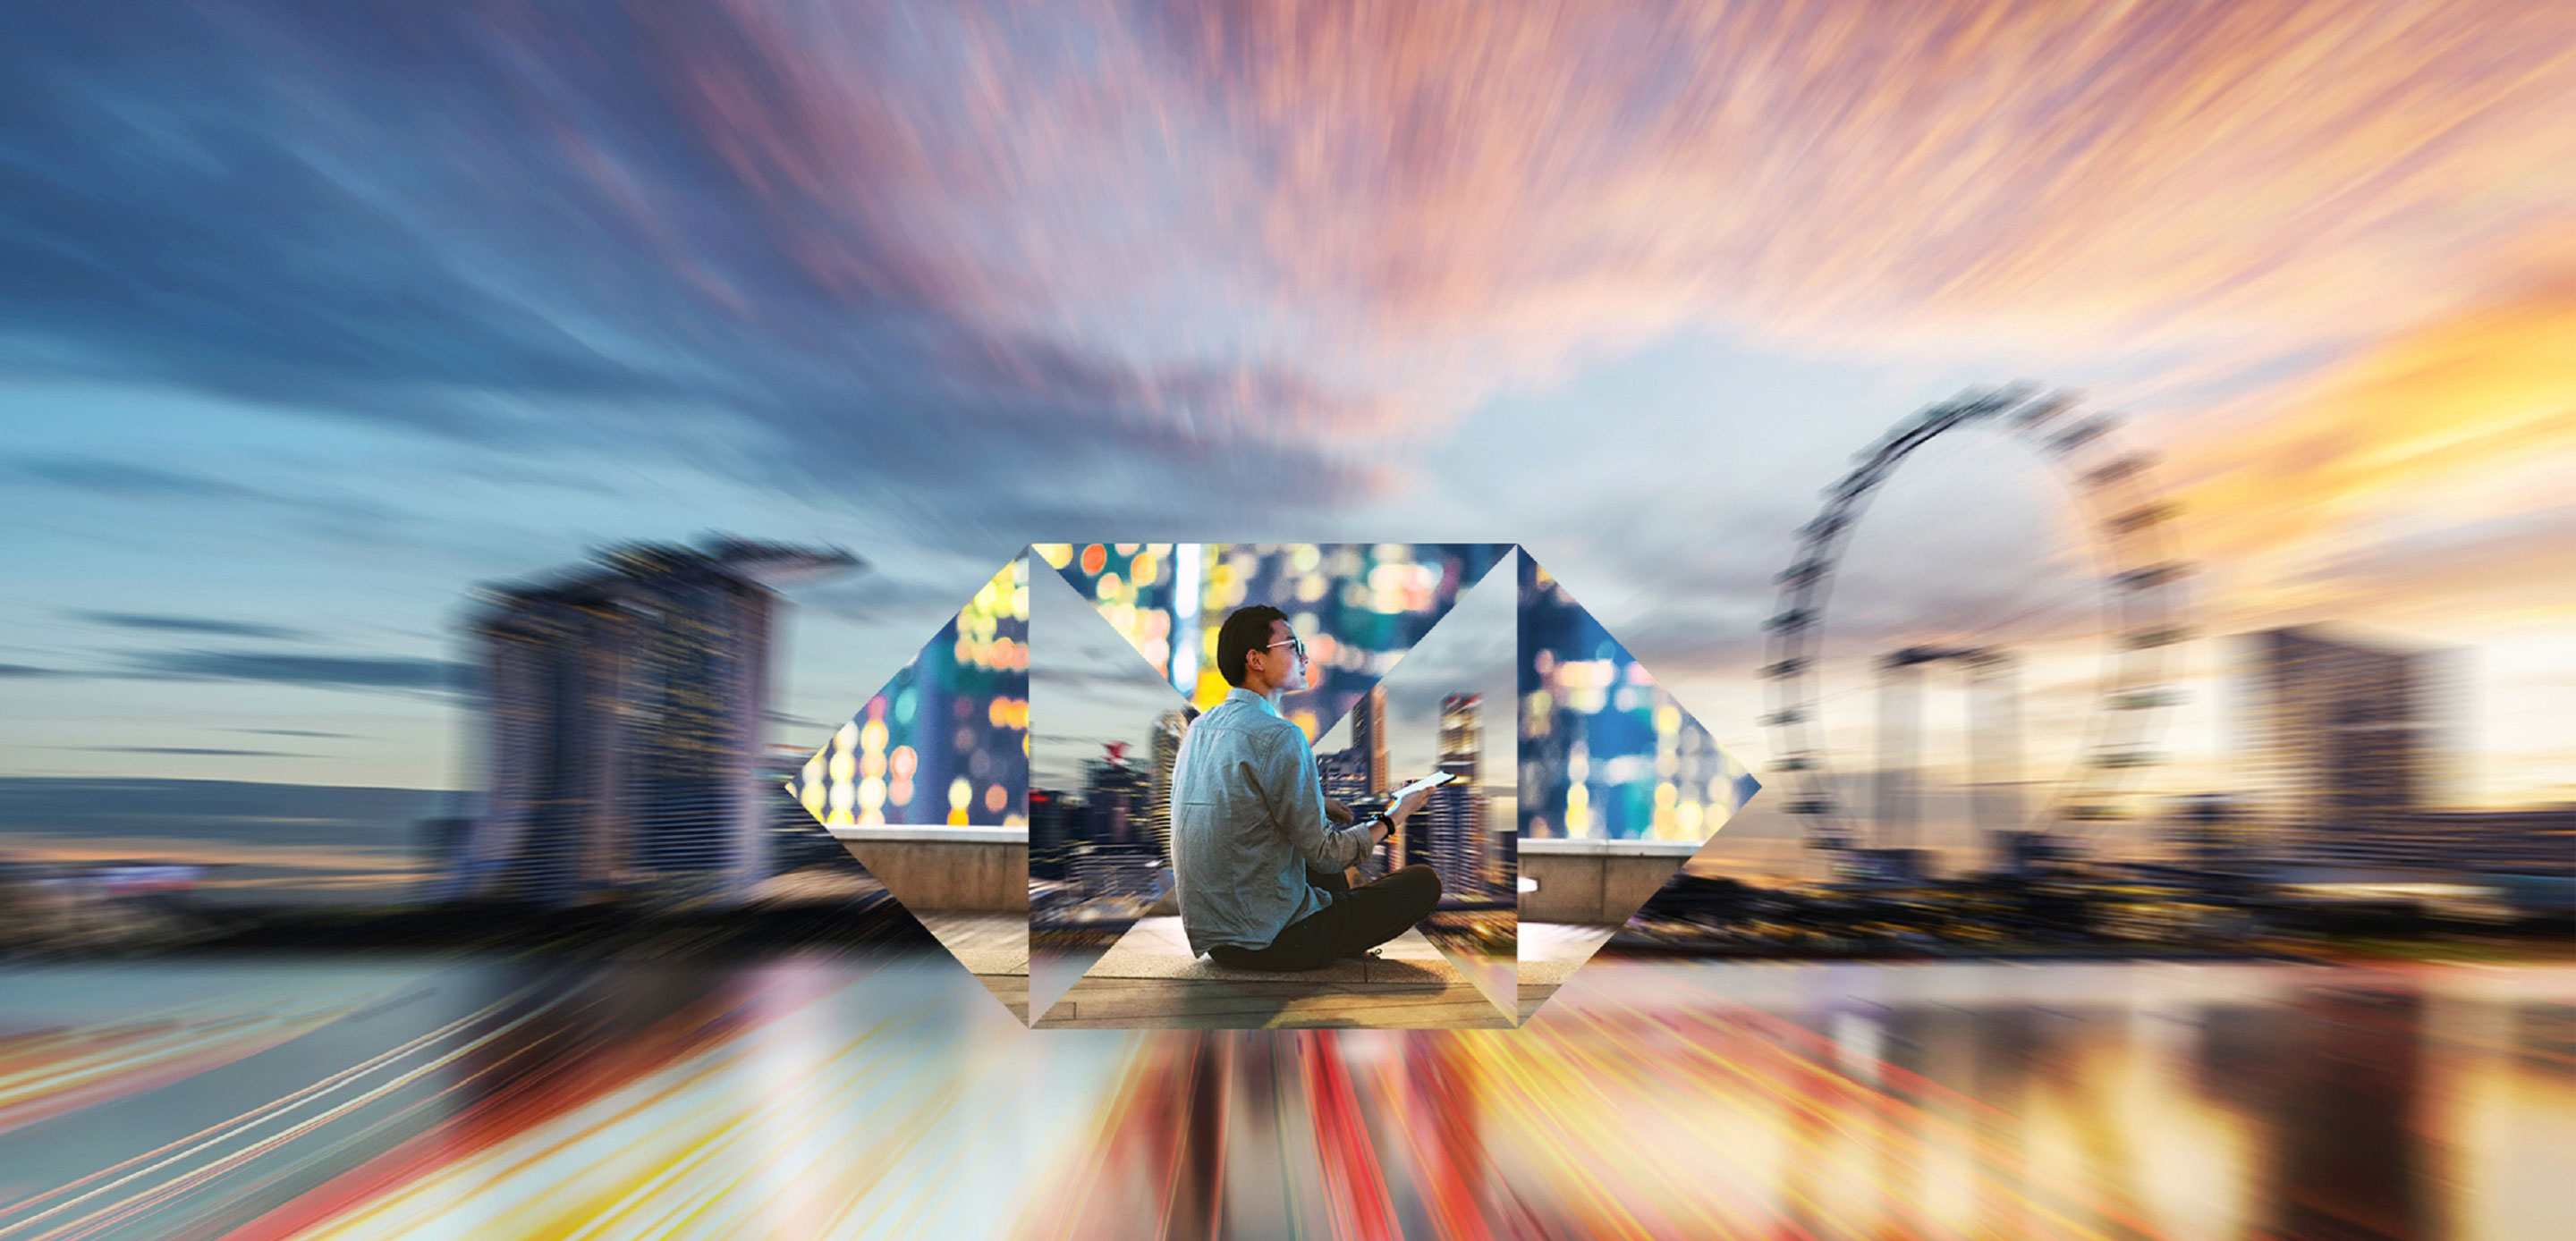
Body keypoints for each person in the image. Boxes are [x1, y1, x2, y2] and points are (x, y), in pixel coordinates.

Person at [1169, 604, 1442, 971]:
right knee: (1423, 883)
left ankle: (1338, 931)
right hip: (1274, 940)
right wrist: (1396, 815)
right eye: (1292, 644)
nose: (1305, 655)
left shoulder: (1199, 729)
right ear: (1256, 660)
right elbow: (1327, 854)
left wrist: (1312, 801)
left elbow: (1229, 803)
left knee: (1313, 836)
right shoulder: (1281, 735)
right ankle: (1336, 937)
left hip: (1219, 941)